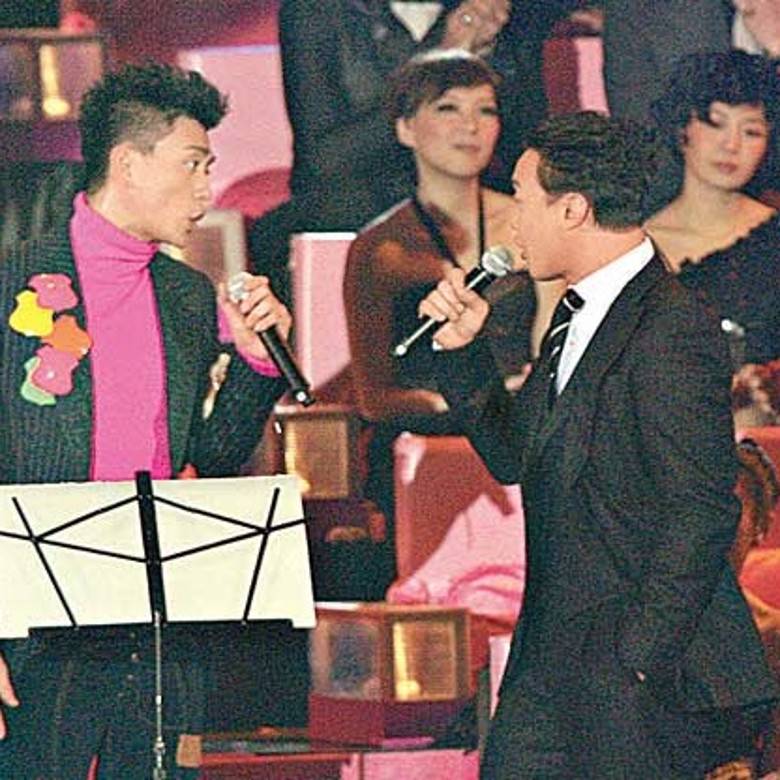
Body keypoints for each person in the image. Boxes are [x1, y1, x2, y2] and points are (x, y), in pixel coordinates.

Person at [419, 111, 777, 778]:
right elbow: (514, 455)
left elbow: (702, 511)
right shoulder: (576, 312)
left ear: (573, 209)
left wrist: (636, 657)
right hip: (554, 663)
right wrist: (464, 355)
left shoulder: (670, 326)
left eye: (523, 198)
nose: (513, 224)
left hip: (638, 679)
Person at [0, 62, 294, 778]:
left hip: (157, 619)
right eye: (192, 165)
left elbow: (209, 460)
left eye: (210, 168)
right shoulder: (14, 283)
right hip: (36, 622)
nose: (206, 191)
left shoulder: (186, 295)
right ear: (128, 164)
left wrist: (257, 365)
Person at [343, 50, 562, 588]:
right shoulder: (378, 248)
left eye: (485, 111)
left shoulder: (528, 223)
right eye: (448, 108)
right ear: (405, 128)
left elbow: (550, 340)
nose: (471, 126)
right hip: (424, 444)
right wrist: (464, 403)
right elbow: (373, 396)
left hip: (523, 434)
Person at [249, 0, 580, 304]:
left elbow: (527, 146)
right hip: (354, 207)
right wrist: (443, 58)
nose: (468, 124)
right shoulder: (318, 12)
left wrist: (489, 53)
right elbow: (323, 160)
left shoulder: (500, 13)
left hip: (477, 210)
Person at [646, 50, 779, 367]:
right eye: (715, 123)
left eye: (751, 132)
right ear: (681, 128)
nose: (731, 145)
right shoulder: (633, 245)